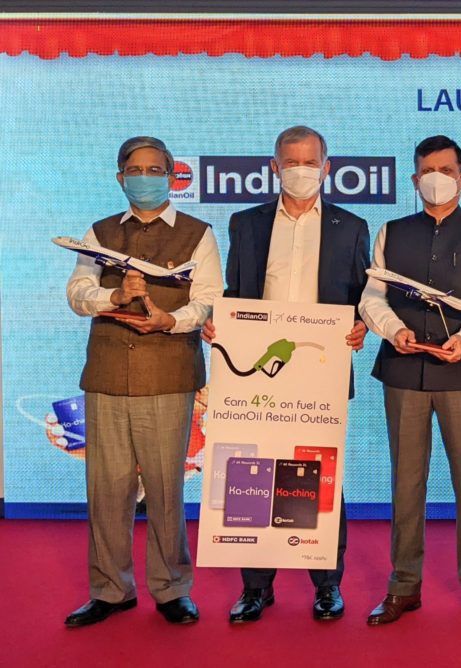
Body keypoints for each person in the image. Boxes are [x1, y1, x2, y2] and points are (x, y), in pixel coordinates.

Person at [202, 125, 370, 624]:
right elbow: (236, 290)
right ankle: (256, 587)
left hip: (320, 372)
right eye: (290, 162)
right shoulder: (245, 223)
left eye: (309, 161)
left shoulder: (351, 225)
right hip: (258, 375)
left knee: (321, 474)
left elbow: (362, 296)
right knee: (252, 473)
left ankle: (327, 584)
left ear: (327, 167)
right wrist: (220, 321)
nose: (301, 171)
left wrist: (361, 325)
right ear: (274, 168)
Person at [64, 136, 222, 627]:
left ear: (173, 176)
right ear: (120, 177)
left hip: (169, 373)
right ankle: (110, 590)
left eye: (156, 169)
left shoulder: (199, 233)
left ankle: (172, 588)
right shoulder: (98, 232)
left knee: (164, 486)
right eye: (136, 169)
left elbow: (211, 299)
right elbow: (77, 292)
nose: (146, 178)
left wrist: (170, 322)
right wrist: (112, 296)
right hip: (108, 373)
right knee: (106, 487)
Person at [359, 135, 461, 624]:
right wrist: (393, 329)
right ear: (414, 179)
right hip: (403, 370)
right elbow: (372, 298)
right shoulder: (391, 231)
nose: (437, 178)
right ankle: (404, 585)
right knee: (407, 482)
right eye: (428, 170)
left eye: (447, 170)